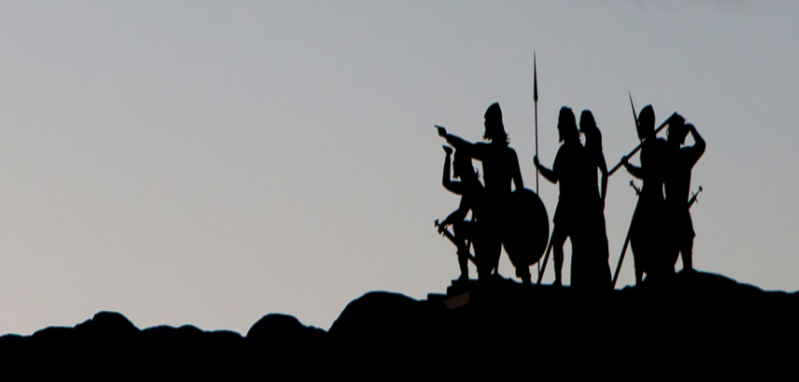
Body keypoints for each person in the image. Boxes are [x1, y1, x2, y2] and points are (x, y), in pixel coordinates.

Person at [437, 103, 525, 280]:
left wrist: (447, 136)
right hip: (496, 215)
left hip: (498, 216)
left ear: (493, 125)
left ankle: (523, 273)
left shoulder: (493, 153)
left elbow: (520, 191)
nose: (484, 126)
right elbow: (520, 189)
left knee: (515, 256)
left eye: (486, 123)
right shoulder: (502, 153)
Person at [534, 107, 584, 287]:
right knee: (560, 244)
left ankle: (567, 280)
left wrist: (540, 168)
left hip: (571, 206)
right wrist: (540, 169)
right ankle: (561, 279)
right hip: (569, 206)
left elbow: (555, 177)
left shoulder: (572, 151)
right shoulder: (574, 151)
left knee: (571, 246)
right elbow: (555, 177)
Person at [622, 105, 670, 284]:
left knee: (648, 237)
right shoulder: (647, 148)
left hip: (654, 198)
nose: (640, 127)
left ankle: (648, 277)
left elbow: (647, 173)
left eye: (641, 124)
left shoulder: (657, 146)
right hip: (647, 198)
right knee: (637, 236)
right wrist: (629, 166)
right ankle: (639, 280)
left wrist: (629, 167)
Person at [438, 145, 487, 281]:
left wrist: (445, 222)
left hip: (485, 230)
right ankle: (466, 274)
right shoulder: (469, 184)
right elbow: (447, 183)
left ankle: (465, 275)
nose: (454, 164)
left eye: (455, 162)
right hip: (482, 228)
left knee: (458, 227)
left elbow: (460, 214)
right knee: (458, 227)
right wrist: (447, 156)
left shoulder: (471, 186)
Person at [664, 114, 705, 273]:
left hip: (672, 216)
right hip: (677, 216)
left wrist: (690, 128)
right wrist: (692, 129)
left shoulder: (672, 155)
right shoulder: (680, 156)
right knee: (678, 266)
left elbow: (701, 145)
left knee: (673, 267)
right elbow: (701, 145)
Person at [577, 110, 612, 289]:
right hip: (591, 201)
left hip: (591, 201)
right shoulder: (591, 149)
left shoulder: (590, 149)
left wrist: (602, 199)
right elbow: (605, 173)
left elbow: (605, 173)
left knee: (595, 245)